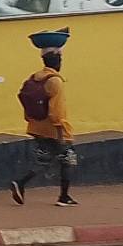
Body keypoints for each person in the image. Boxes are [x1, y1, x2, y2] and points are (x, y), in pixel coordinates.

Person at [11, 49, 77, 207]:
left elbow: (25, 98)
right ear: (58, 63)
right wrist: (61, 129)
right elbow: (56, 110)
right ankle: (64, 197)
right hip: (54, 129)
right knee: (68, 159)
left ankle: (20, 183)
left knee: (44, 160)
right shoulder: (55, 81)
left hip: (36, 127)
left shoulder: (34, 77)